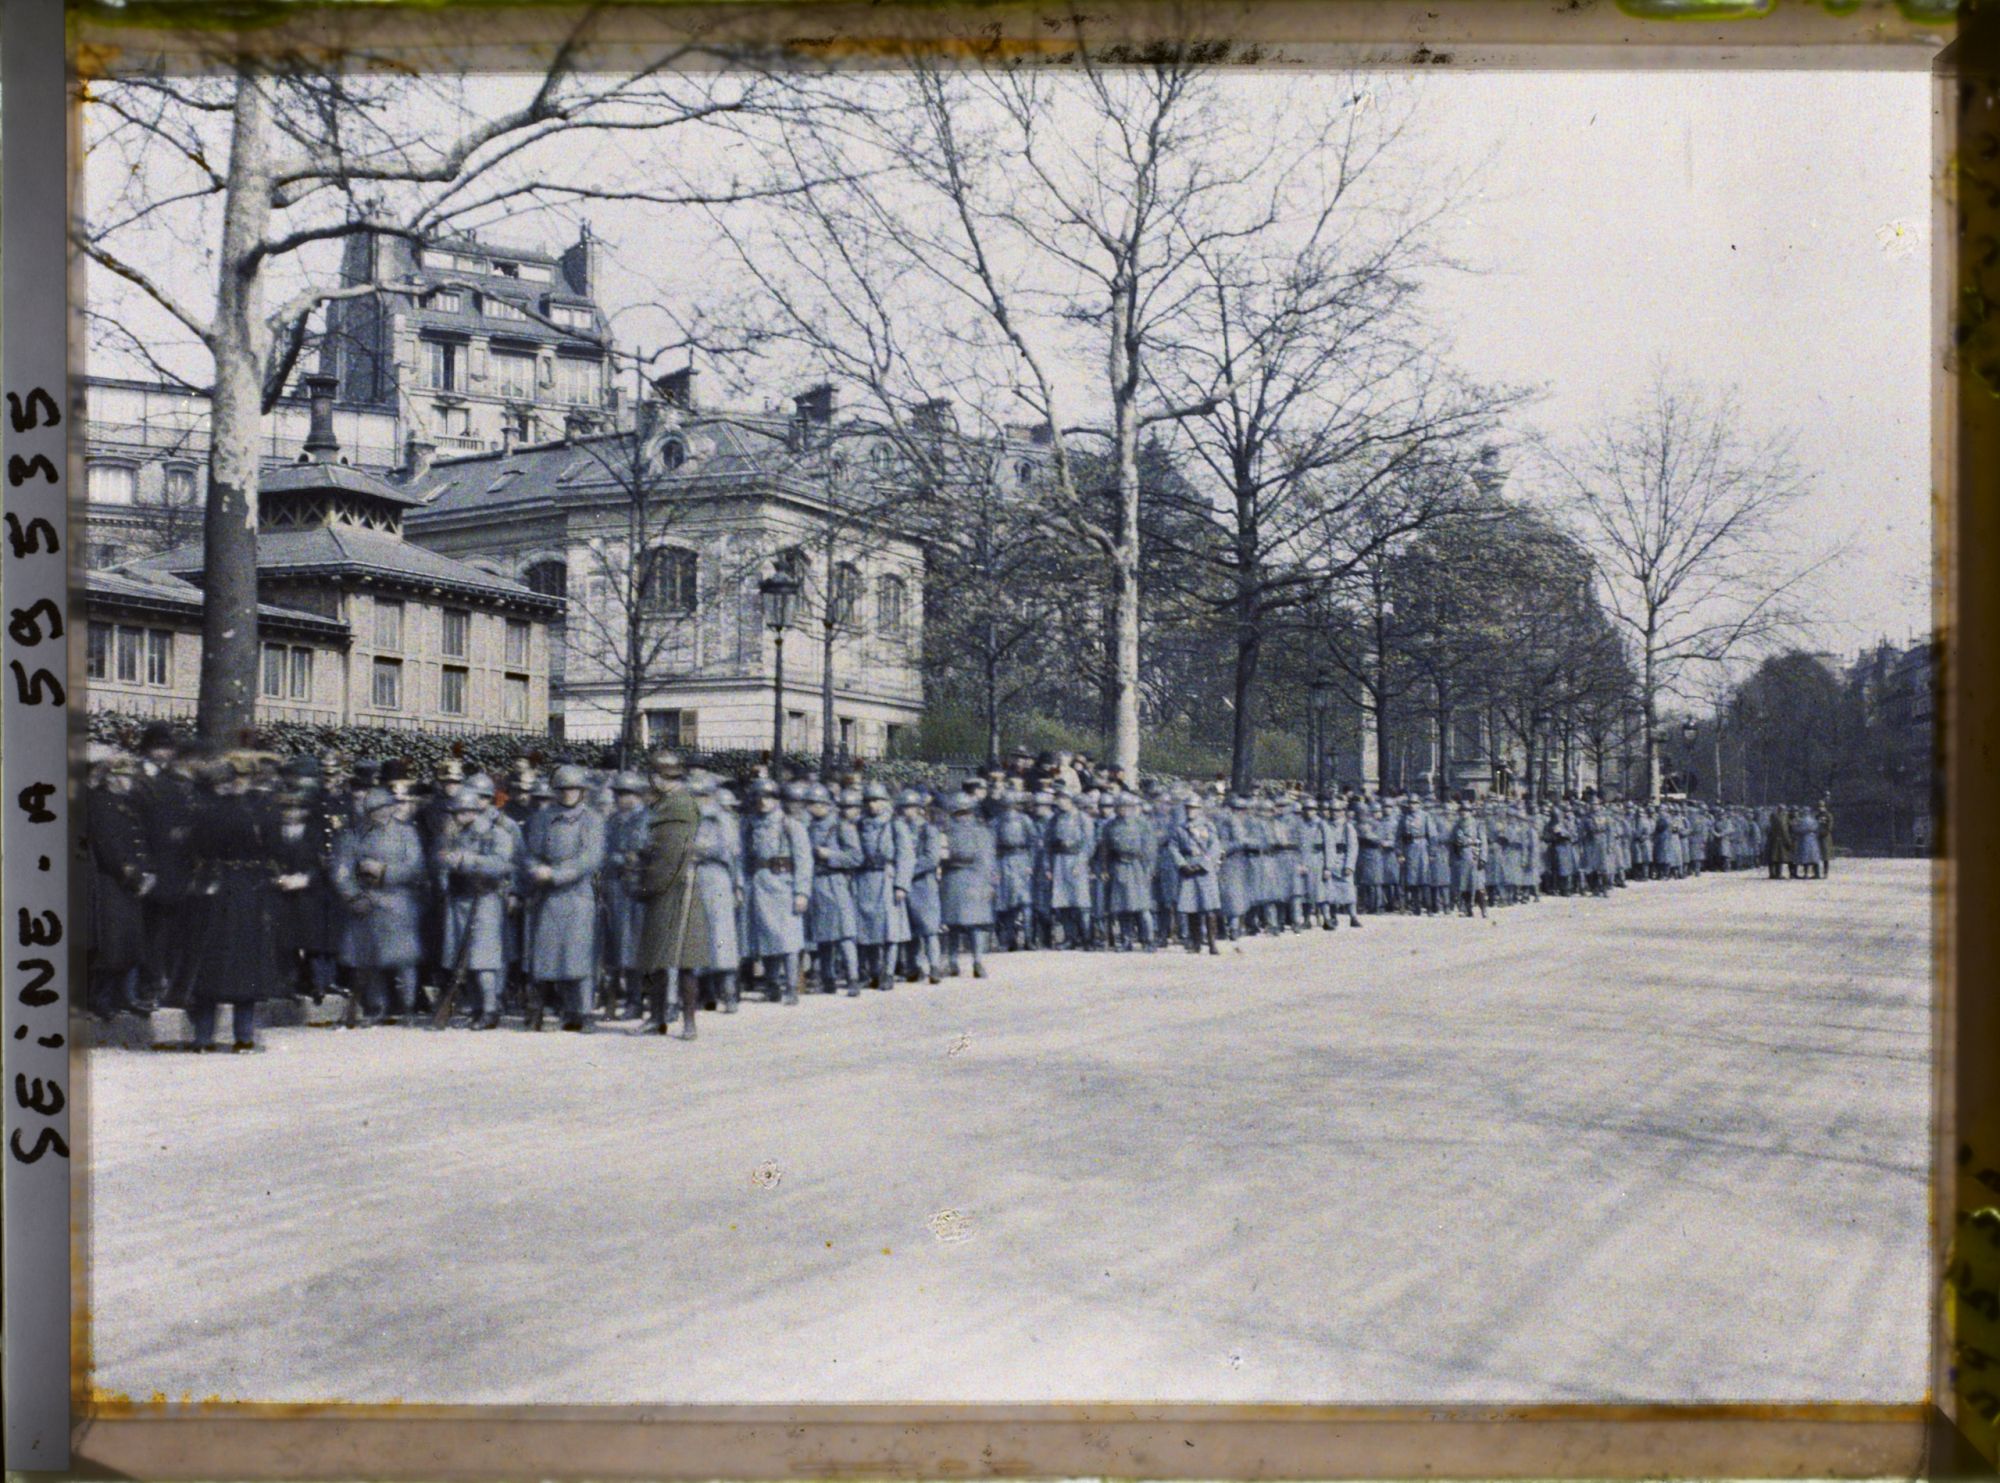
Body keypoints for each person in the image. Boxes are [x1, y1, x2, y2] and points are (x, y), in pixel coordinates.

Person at [179, 754, 287, 1051]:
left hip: (215, 887)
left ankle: (205, 1037)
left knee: (210, 961)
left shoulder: (206, 810)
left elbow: (192, 847)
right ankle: (242, 1036)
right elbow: (276, 848)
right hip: (247, 889)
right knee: (244, 963)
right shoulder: (261, 811)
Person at [333, 785, 427, 1026]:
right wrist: (353, 897)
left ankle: (408, 1007)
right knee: (370, 960)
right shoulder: (353, 835)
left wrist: (384, 871)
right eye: (375, 809)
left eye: (385, 807)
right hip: (367, 901)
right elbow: (342, 872)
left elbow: (415, 867)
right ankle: (377, 1008)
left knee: (405, 960)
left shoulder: (407, 834)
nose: (381, 813)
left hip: (399, 903)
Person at [524, 763, 607, 1032]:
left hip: (578, 895)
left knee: (579, 955)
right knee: (548, 955)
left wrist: (556, 874)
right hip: (548, 896)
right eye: (562, 789)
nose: (567, 793)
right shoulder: (542, 818)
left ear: (582, 791)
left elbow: (590, 858)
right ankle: (561, 1009)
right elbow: (530, 853)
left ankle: (584, 1011)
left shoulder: (592, 820)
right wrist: (535, 869)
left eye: (573, 789)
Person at [434, 783, 518, 1028]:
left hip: (485, 899)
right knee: (463, 959)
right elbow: (440, 863)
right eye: (455, 812)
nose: (457, 816)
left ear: (474, 811)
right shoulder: (453, 834)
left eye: (462, 811)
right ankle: (476, 1008)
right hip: (459, 899)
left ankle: (491, 1009)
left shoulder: (496, 834)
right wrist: (445, 868)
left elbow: (502, 865)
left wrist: (467, 860)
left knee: (483, 960)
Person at [636, 755, 702, 1038]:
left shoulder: (679, 806)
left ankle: (688, 1022)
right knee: (656, 958)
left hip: (674, 888)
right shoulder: (665, 804)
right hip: (663, 886)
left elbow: (672, 855)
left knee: (683, 958)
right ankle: (657, 1018)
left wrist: (647, 885)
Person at [741, 778, 809, 1005]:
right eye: (759, 797)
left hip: (784, 884)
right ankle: (772, 985)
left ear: (777, 800)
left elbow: (804, 861)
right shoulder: (750, 825)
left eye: (768, 797)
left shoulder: (791, 825)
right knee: (767, 937)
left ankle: (791, 987)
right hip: (759, 884)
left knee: (788, 939)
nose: (763, 802)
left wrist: (801, 892)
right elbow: (743, 857)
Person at [853, 782, 911, 990]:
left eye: (877, 800)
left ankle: (888, 972)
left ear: (886, 802)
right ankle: (873, 972)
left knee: (890, 930)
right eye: (868, 801)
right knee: (867, 929)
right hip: (864, 879)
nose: (872, 805)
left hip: (887, 879)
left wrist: (901, 885)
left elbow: (906, 856)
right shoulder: (859, 824)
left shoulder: (895, 824)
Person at [805, 782, 862, 995]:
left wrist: (831, 855)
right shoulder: (808, 828)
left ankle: (853, 978)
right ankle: (827, 978)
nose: (813, 807)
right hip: (816, 883)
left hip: (836, 882)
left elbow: (856, 857)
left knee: (845, 933)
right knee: (823, 935)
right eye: (811, 803)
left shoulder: (841, 826)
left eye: (817, 803)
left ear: (827, 805)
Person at [940, 793, 996, 977]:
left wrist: (987, 883)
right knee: (955, 924)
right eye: (959, 813)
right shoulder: (947, 831)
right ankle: (955, 962)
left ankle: (976, 961)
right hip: (954, 878)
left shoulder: (980, 832)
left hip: (972, 878)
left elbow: (986, 858)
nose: (963, 817)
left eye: (966, 812)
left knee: (973, 924)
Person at [1166, 793, 1223, 954]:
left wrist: (1204, 864)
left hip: (1205, 869)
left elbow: (1215, 846)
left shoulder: (1208, 826)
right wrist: (1182, 864)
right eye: (1188, 808)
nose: (1191, 811)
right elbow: (1173, 847)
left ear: (1200, 809)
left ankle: (1212, 943)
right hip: (1188, 867)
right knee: (1192, 907)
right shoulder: (1180, 828)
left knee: (1209, 908)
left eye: (1194, 808)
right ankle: (1196, 942)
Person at [900, 790, 945, 984]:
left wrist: (906, 870)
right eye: (904, 808)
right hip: (906, 884)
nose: (907, 811)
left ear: (919, 809)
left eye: (911, 807)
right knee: (910, 928)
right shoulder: (901, 829)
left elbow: (931, 858)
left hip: (924, 883)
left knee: (929, 928)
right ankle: (914, 967)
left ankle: (934, 966)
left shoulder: (929, 830)